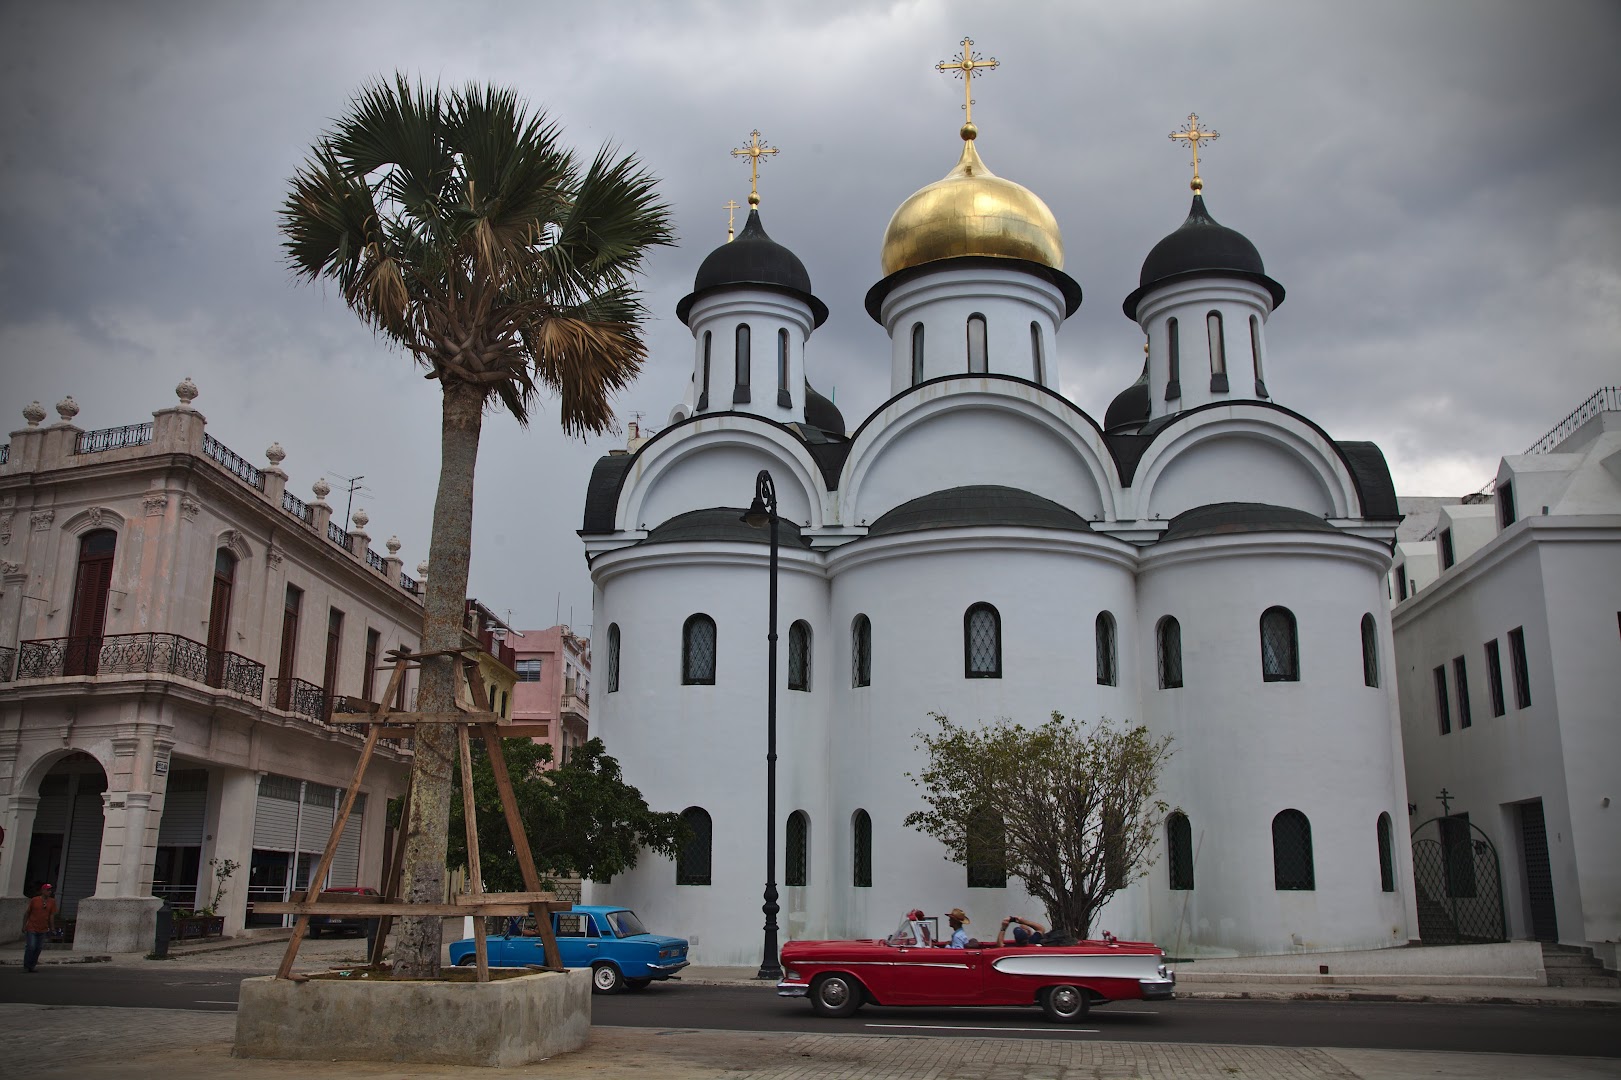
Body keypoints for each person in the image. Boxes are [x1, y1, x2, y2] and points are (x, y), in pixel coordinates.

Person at [22, 883, 58, 973]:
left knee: (38, 948)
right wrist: (24, 925)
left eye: (50, 890)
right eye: (48, 890)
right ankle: (27, 965)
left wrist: (52, 928)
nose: (49, 892)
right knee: (31, 947)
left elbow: (51, 916)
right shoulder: (35, 900)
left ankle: (32, 966)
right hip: (32, 927)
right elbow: (27, 913)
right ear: (43, 891)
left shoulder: (52, 902)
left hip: (43, 928)